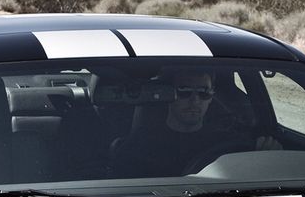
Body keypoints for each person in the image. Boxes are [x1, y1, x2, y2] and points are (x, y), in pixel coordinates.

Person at [111, 70, 259, 178]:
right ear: (168, 95)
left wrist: (266, 152)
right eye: (184, 91)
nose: (195, 101)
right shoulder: (139, 146)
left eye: (203, 92)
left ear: (211, 98)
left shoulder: (228, 144)